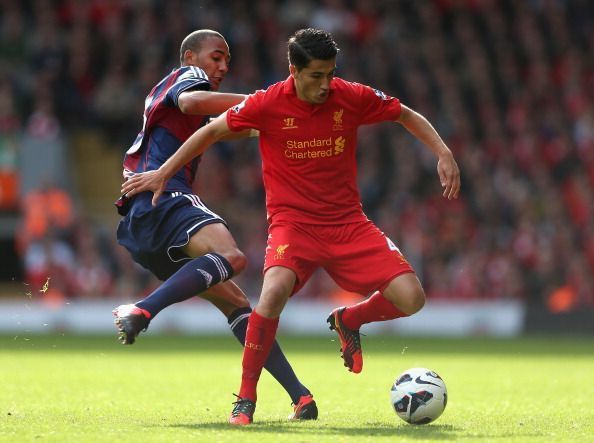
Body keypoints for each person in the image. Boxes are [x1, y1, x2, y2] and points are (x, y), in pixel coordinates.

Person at [121, 28, 461, 425]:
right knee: (271, 295)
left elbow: (404, 114)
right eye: (316, 75)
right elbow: (210, 130)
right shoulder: (266, 103)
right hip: (292, 226)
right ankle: (245, 399)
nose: (325, 84)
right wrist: (164, 171)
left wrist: (443, 152)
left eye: (330, 74)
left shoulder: (349, 96)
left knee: (412, 298)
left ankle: (349, 319)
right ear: (293, 71)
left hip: (348, 222)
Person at [112, 29, 317, 421]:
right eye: (215, 58)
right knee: (231, 256)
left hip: (142, 219)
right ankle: (142, 309)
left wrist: (289, 122)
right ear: (190, 57)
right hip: (163, 194)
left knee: (237, 303)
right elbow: (192, 101)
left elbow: (248, 127)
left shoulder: (190, 108)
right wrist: (268, 103)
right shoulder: (185, 78)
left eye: (226, 61)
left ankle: (301, 398)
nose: (222, 67)